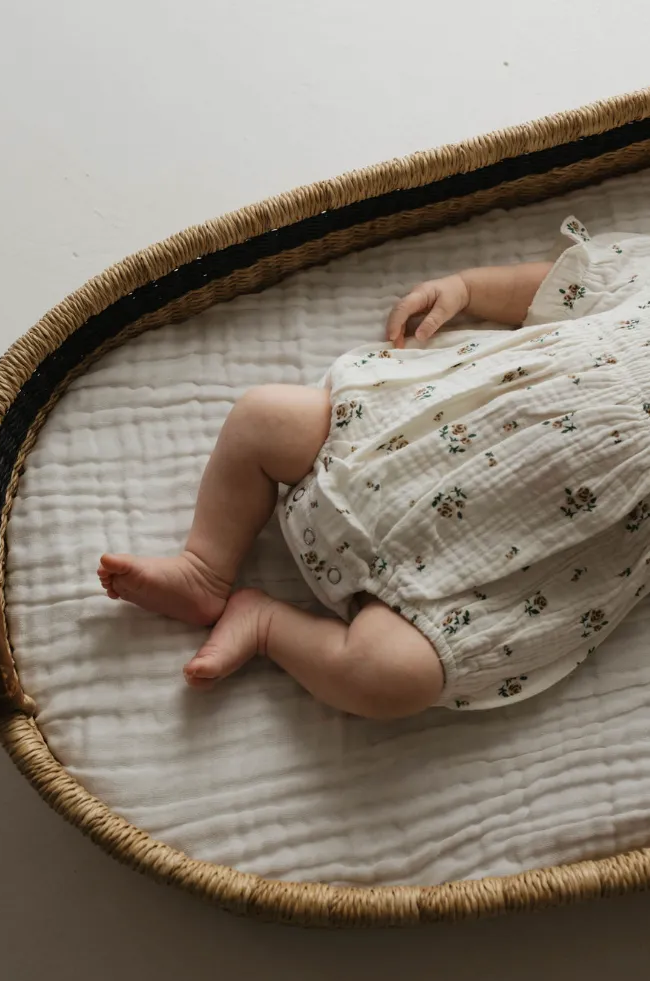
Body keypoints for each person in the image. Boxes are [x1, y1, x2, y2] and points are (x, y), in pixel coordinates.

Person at [98, 216, 650, 718]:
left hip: (476, 578)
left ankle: (266, 624)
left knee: (393, 677)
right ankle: (204, 566)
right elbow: (568, 286)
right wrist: (465, 289)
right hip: (389, 442)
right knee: (264, 416)